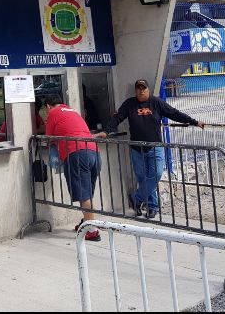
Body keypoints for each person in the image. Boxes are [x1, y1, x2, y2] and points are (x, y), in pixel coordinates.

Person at [102, 79, 205, 219]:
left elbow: (174, 113)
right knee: (143, 178)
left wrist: (193, 121)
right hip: (136, 149)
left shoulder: (156, 103)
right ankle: (152, 206)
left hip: (155, 147)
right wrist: (107, 131)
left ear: (148, 89)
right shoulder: (129, 103)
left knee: (155, 175)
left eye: (143, 88)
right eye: (138, 88)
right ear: (135, 90)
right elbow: (118, 117)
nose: (141, 90)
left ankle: (137, 198)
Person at [44, 94, 106, 241]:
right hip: (94, 153)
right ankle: (86, 222)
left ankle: (92, 231)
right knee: (87, 193)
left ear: (47, 106)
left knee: (84, 194)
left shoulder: (53, 113)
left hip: (77, 154)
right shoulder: (72, 111)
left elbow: (48, 138)